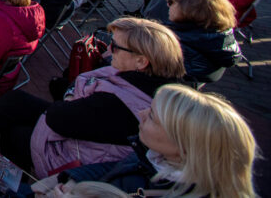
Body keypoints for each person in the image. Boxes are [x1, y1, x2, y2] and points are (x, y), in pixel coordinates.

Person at [0, 17, 185, 179]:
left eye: (116, 47)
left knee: (15, 132)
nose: (108, 50)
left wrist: (73, 93)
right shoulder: (149, 83)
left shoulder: (120, 104)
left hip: (81, 160)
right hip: (82, 131)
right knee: (17, 102)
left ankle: (16, 184)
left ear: (141, 62)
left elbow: (58, 117)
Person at [56, 84, 256, 197]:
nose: (141, 114)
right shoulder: (155, 156)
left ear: (185, 147)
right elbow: (113, 168)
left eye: (152, 116)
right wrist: (71, 178)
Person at [162, 0, 240, 83]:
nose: (167, 5)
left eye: (171, 2)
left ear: (189, 8)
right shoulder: (216, 37)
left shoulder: (181, 42)